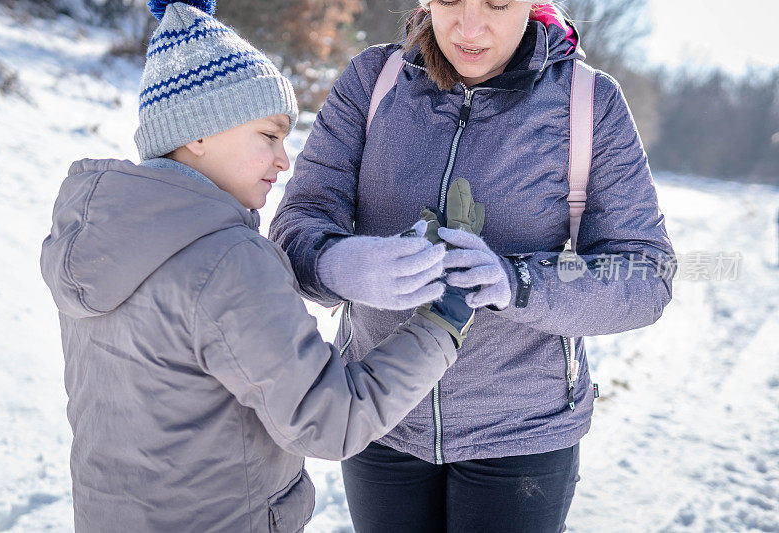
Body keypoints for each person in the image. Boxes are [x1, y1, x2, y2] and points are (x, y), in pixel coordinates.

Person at [38, 1, 476, 531]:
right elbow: (329, 419)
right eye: (269, 135)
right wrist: (441, 326)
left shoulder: (102, 242)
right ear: (197, 134)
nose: (284, 160)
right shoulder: (226, 261)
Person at [269, 1, 676, 531]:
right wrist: (340, 265)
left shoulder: (587, 103)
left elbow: (644, 273)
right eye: (451, 1)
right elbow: (296, 224)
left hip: (522, 435)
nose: (469, 28)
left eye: (497, 4)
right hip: (378, 413)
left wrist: (518, 283)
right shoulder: (375, 79)